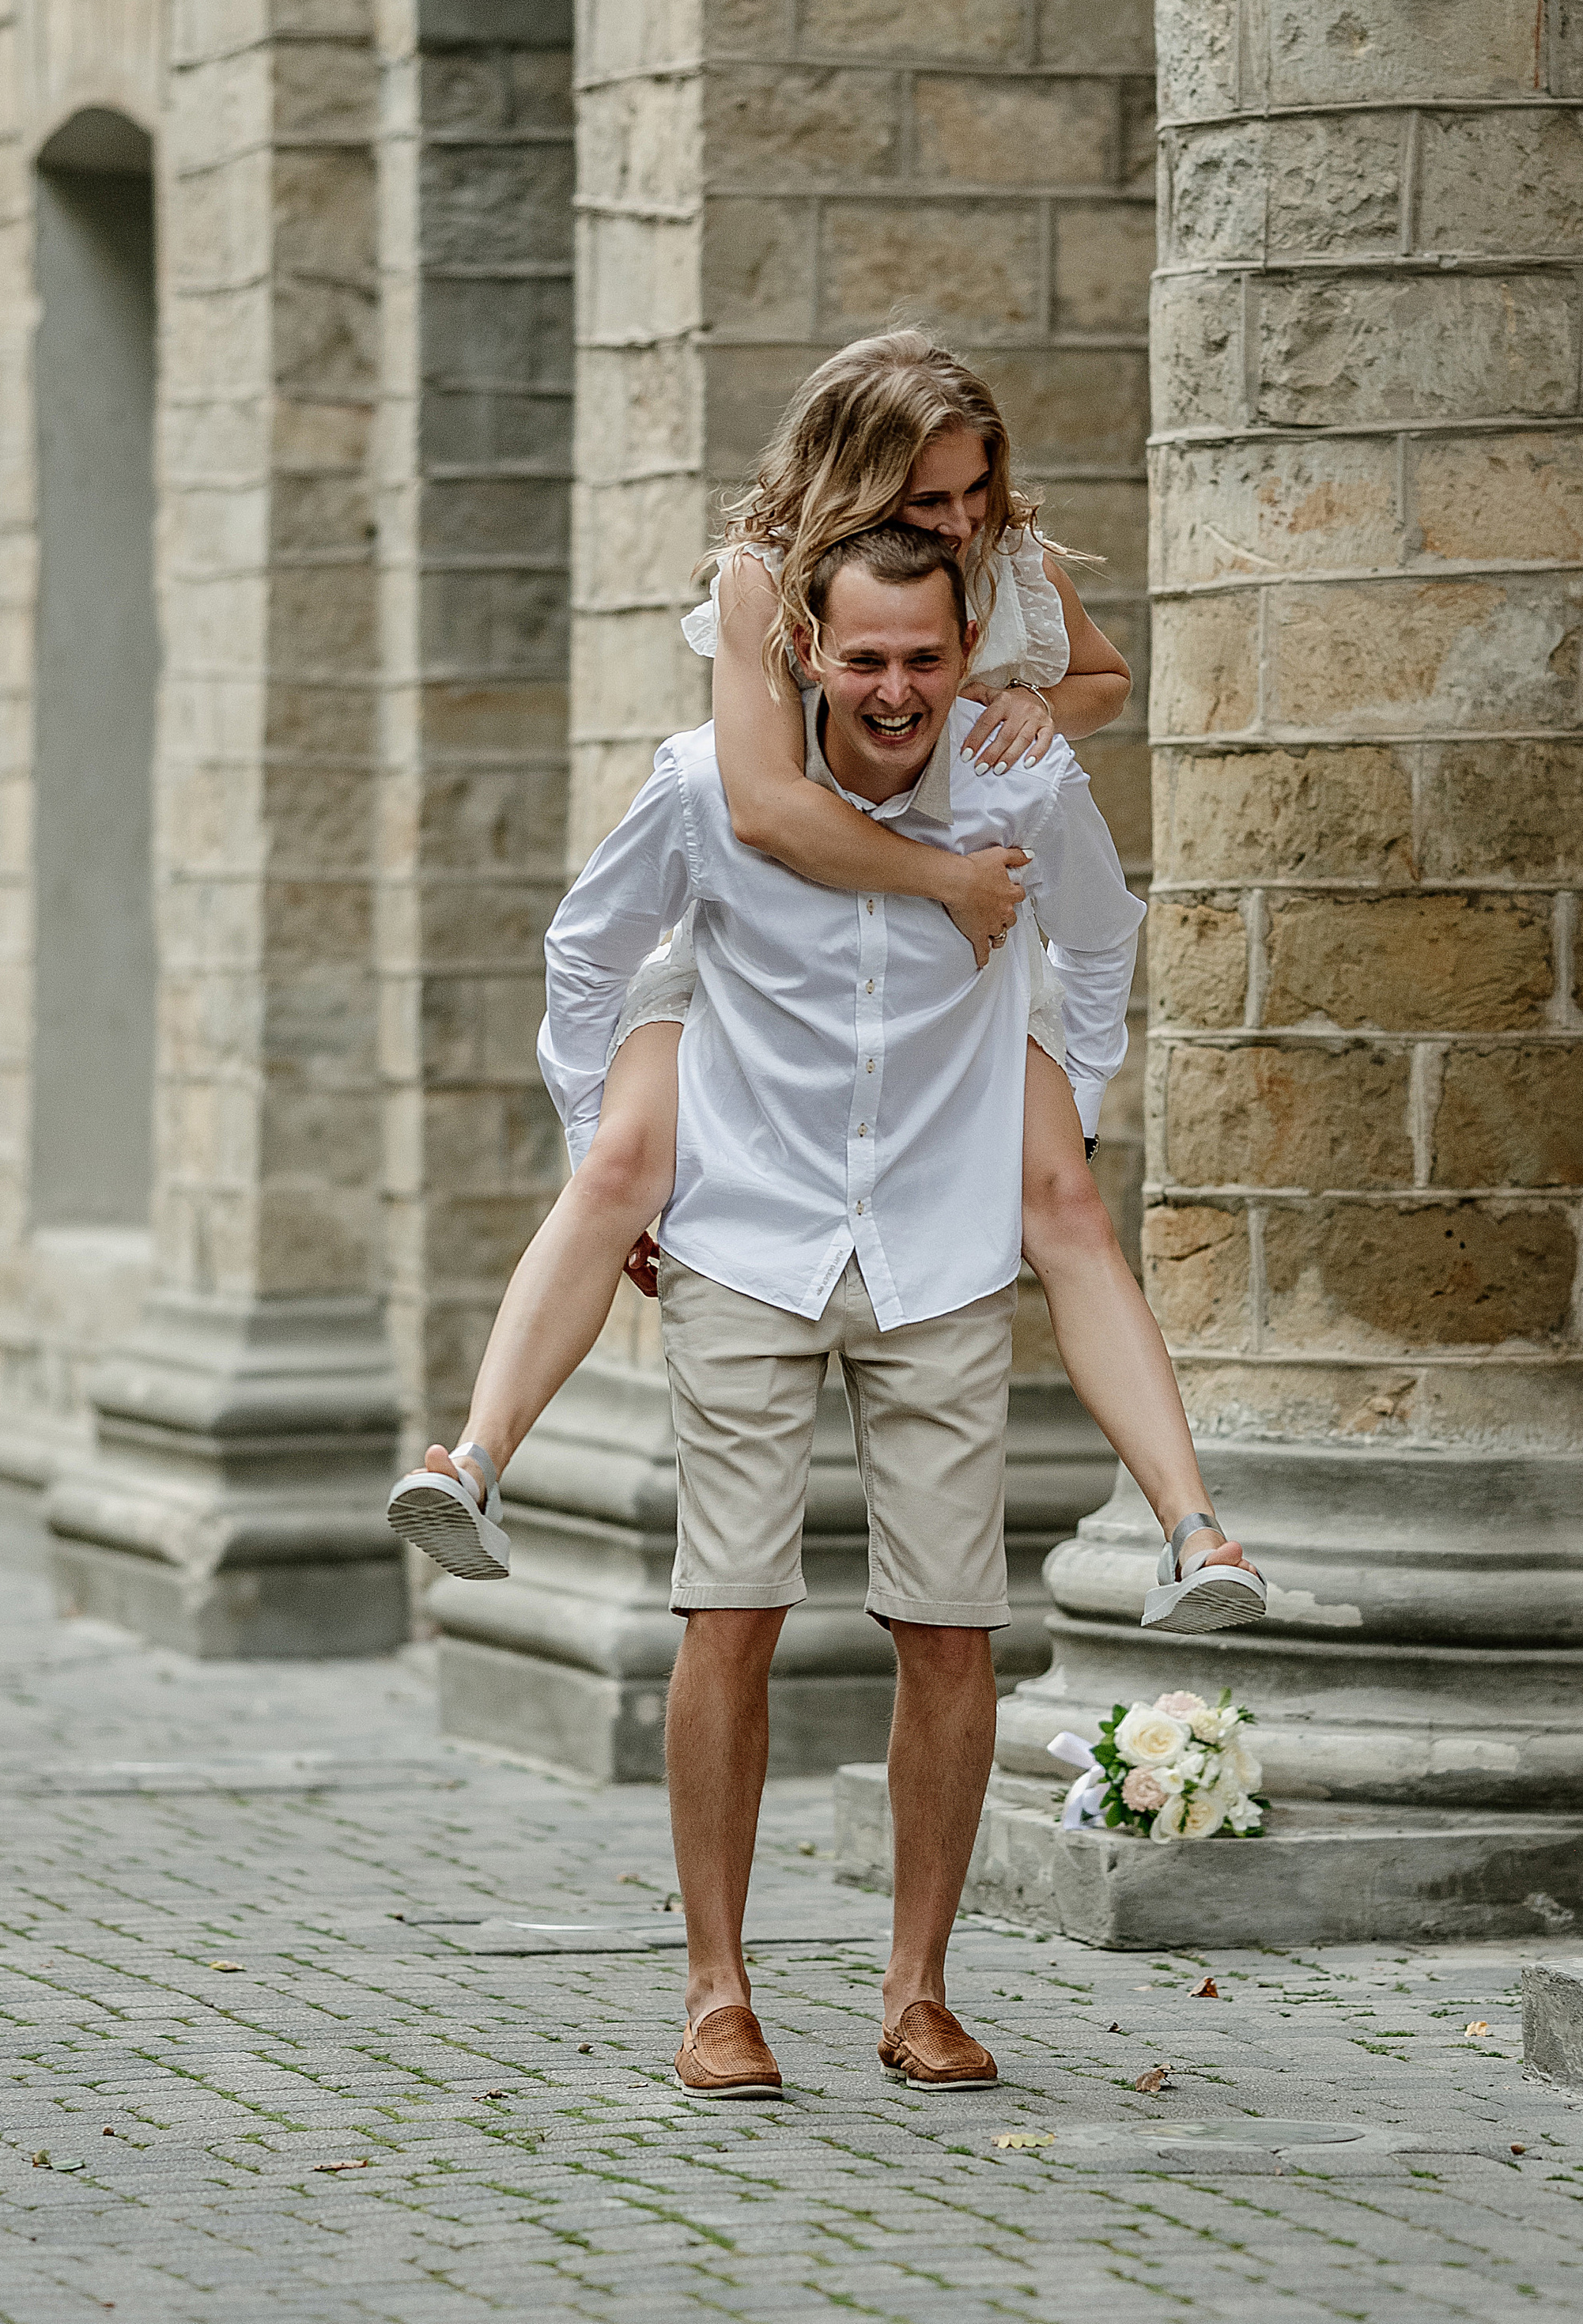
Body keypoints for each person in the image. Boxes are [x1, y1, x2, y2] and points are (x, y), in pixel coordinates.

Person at [388, 331, 1263, 1636]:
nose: (963, 522)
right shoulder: (764, 583)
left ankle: (1195, 1535)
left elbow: (1101, 684)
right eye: (931, 501)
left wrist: (1029, 722)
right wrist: (957, 884)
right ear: (858, 487)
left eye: (978, 492)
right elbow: (763, 811)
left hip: (947, 983)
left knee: (1063, 1198)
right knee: (624, 1156)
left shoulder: (1004, 557)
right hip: (759, 938)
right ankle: (475, 1461)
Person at [538, 523, 1250, 2098]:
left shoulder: (1019, 784)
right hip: (748, 1236)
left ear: (959, 654)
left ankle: (915, 1990)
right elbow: (586, 952)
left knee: (949, 1629)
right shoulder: (703, 786)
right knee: (729, 1610)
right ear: (806, 655)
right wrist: (605, 1147)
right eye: (862, 657)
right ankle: (716, 1993)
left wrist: (1056, 1090)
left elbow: (1101, 932)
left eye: (921, 657)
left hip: (936, 1252)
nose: (893, 687)